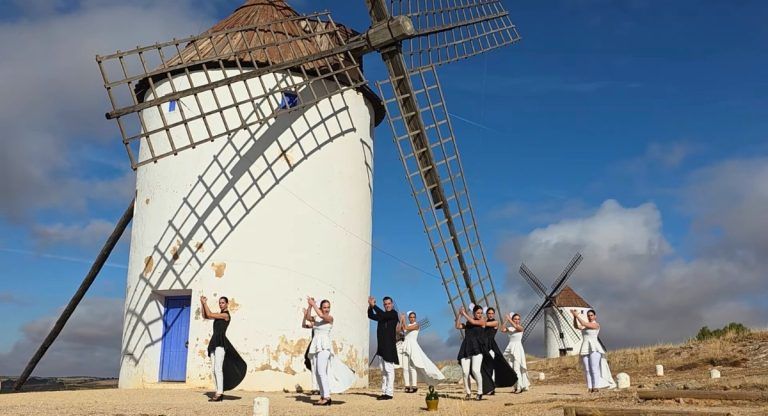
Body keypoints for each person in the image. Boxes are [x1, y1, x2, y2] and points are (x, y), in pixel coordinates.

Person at [302, 297, 355, 405]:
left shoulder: (330, 318)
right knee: (317, 372)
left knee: (322, 371)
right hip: (316, 346)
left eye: (328, 307)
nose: (326, 309)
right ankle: (322, 396)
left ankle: (327, 397)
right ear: (321, 307)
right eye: (324, 307)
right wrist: (309, 306)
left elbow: (322, 315)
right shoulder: (317, 318)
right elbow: (306, 320)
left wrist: (314, 304)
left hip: (324, 347)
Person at [200, 295, 247, 401]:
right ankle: (218, 391)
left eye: (222, 302)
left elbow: (210, 314)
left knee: (218, 368)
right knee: (213, 369)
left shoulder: (225, 315)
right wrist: (202, 303)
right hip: (214, 342)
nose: (221, 304)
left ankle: (220, 393)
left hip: (221, 342)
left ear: (226, 304)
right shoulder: (219, 315)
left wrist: (205, 303)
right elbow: (205, 316)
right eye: (220, 303)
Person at [399, 311, 446, 393]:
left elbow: (406, 328)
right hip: (405, 346)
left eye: (414, 317)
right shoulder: (407, 325)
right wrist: (401, 320)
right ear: (409, 318)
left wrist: (403, 319)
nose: (412, 318)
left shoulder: (417, 325)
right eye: (411, 317)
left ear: (415, 318)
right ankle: (407, 386)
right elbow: (401, 329)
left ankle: (414, 386)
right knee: (405, 367)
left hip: (413, 346)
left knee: (412, 367)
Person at [571, 309, 616, 392]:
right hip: (585, 347)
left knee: (594, 368)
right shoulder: (585, 326)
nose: (590, 317)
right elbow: (576, 326)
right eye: (588, 315)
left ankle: (595, 387)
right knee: (587, 369)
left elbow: (583, 323)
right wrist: (574, 317)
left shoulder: (596, 325)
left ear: (595, 316)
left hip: (594, 347)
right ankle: (590, 387)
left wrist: (577, 315)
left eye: (591, 315)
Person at [479, 307, 517, 395]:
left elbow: (484, 324)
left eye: (492, 313)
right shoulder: (485, 322)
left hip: (491, 346)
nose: (491, 315)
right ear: (487, 314)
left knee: (491, 367)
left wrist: (481, 320)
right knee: (484, 367)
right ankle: (487, 387)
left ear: (494, 314)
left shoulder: (495, 322)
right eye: (489, 313)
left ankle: (492, 388)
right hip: (484, 346)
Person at [368, 295, 399, 400]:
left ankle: (389, 393)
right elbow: (370, 315)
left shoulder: (393, 314)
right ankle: (384, 392)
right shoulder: (382, 315)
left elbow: (384, 315)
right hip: (380, 347)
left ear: (392, 304)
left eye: (389, 304)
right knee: (383, 371)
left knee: (389, 370)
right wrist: (370, 306)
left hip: (389, 347)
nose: (387, 306)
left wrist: (374, 305)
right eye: (385, 304)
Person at [456, 305, 486, 400]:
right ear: (473, 313)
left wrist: (464, 313)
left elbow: (473, 322)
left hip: (477, 348)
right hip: (466, 347)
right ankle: (468, 393)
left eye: (481, 313)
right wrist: (460, 315)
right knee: (465, 372)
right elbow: (457, 326)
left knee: (475, 370)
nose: (480, 314)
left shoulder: (482, 321)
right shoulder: (468, 322)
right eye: (478, 313)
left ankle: (480, 392)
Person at [501, 312, 530, 393]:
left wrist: (510, 319)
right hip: (510, 347)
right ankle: (515, 386)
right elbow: (502, 329)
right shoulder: (510, 328)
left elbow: (517, 327)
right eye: (515, 319)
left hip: (517, 348)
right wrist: (505, 320)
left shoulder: (520, 327)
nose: (517, 320)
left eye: (518, 319)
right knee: (512, 368)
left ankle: (520, 387)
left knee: (517, 368)